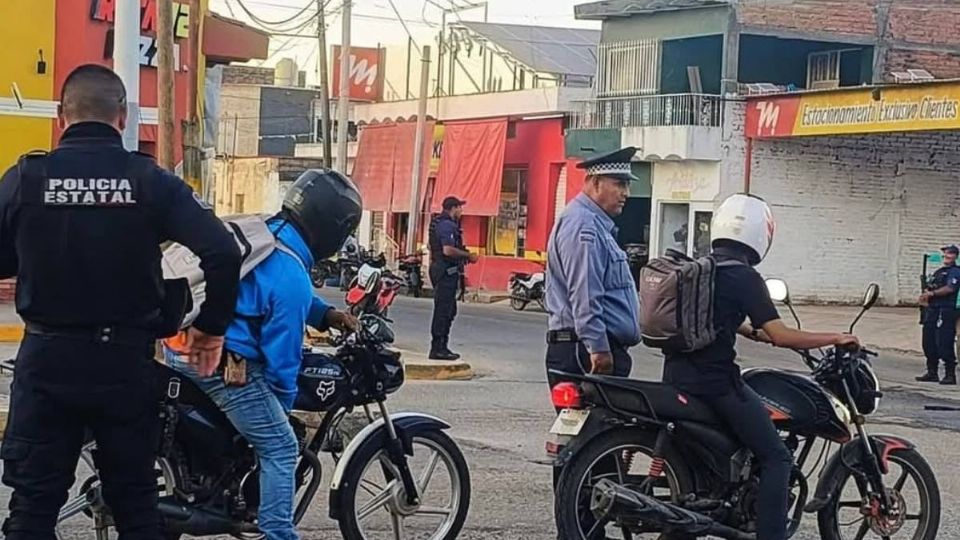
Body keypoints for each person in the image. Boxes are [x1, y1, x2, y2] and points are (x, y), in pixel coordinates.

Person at [0, 64, 241, 540]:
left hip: (47, 364)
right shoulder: (149, 181)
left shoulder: (26, 178)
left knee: (31, 512)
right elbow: (222, 251)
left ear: (60, 119)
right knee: (135, 508)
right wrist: (210, 330)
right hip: (124, 366)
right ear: (123, 118)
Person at [163, 168, 362, 540]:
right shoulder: (292, 275)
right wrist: (283, 410)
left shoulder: (265, 232)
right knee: (282, 447)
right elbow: (283, 363)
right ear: (332, 229)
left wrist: (326, 315)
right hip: (221, 365)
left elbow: (268, 289)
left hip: (179, 346)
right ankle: (278, 533)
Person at [662, 193, 861, 540]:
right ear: (760, 234)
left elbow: (714, 320)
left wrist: (753, 333)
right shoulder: (745, 276)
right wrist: (833, 337)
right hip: (717, 385)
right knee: (777, 458)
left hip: (677, 378)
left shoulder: (703, 270)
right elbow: (781, 335)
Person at [544, 147, 641, 390]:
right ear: (595, 182)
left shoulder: (595, 225)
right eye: (619, 184)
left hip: (587, 348)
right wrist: (598, 349)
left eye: (626, 185)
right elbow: (585, 293)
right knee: (604, 427)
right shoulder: (584, 226)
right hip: (586, 353)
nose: (625, 193)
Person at [427, 196, 477, 360]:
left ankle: (442, 346)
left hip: (444, 270)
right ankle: (437, 348)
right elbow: (448, 250)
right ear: (453, 208)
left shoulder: (439, 223)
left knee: (449, 310)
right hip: (444, 272)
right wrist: (467, 255)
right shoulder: (447, 225)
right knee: (443, 311)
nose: (461, 211)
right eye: (459, 208)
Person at [916, 244, 960, 385]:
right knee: (928, 341)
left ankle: (950, 374)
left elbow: (950, 288)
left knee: (944, 341)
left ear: (955, 256)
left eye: (950, 253)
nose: (946, 256)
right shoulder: (940, 271)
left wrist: (932, 293)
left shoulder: (955, 272)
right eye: (945, 253)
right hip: (933, 309)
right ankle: (932, 372)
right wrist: (926, 296)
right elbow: (931, 286)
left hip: (946, 310)